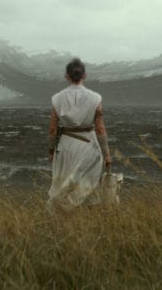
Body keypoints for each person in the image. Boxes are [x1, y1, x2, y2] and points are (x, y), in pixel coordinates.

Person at [46, 58, 112, 212]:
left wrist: (50, 151)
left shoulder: (57, 98)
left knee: (63, 183)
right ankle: (85, 220)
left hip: (64, 146)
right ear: (85, 75)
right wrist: (107, 155)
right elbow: (101, 129)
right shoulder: (96, 98)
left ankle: (63, 217)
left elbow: (52, 130)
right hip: (89, 145)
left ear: (66, 77)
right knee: (88, 186)